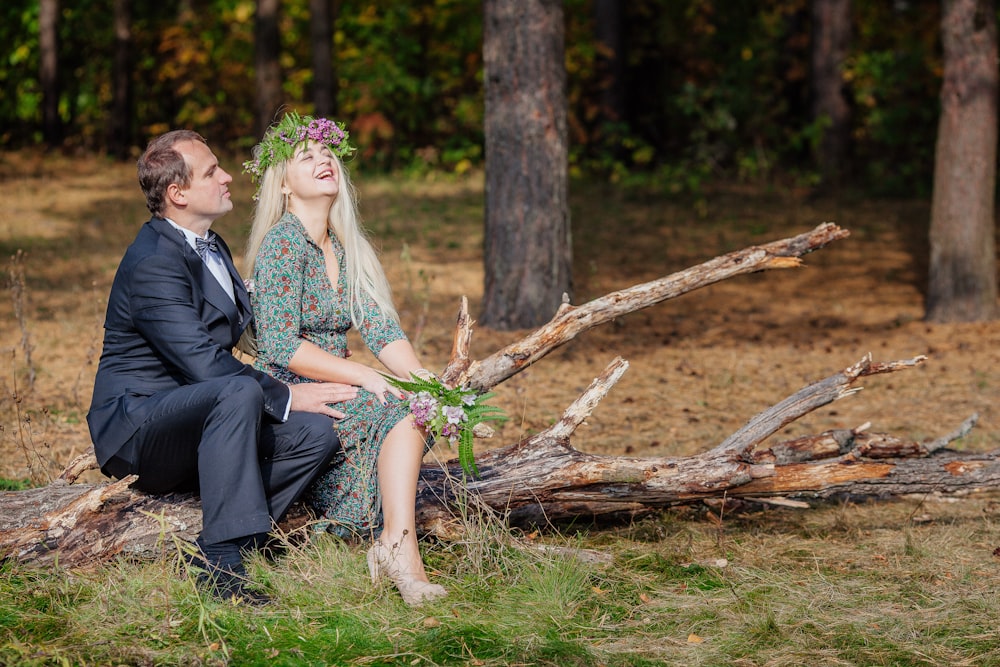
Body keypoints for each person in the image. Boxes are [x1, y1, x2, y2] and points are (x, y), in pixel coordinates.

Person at [87, 129, 358, 605]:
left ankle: (238, 539)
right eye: (212, 171)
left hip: (204, 421)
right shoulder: (153, 262)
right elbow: (205, 365)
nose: (228, 177)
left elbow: (242, 336)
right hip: (139, 429)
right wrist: (289, 393)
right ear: (178, 193)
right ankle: (221, 565)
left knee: (317, 434)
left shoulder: (212, 246)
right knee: (240, 392)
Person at [243, 112, 447, 606]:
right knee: (396, 409)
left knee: (421, 406)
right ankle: (399, 549)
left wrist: (427, 380)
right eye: (305, 157)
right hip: (295, 390)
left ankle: (393, 544)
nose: (323, 161)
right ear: (284, 185)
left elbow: (381, 329)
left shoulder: (341, 245)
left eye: (328, 153)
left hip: (343, 379)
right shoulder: (282, 244)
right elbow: (279, 344)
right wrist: (367, 378)